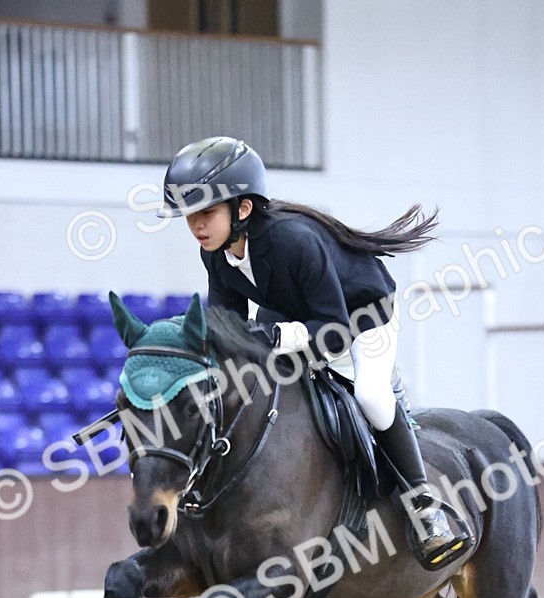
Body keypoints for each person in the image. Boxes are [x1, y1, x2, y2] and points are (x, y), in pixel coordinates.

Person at [157, 136, 469, 570]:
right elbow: (227, 330)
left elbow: (335, 333)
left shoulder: (295, 241)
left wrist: (273, 339)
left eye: (206, 212)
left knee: (372, 397)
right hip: (293, 312)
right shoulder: (216, 253)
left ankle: (424, 507)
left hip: (359, 315)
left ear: (243, 209)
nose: (196, 225)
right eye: (190, 215)